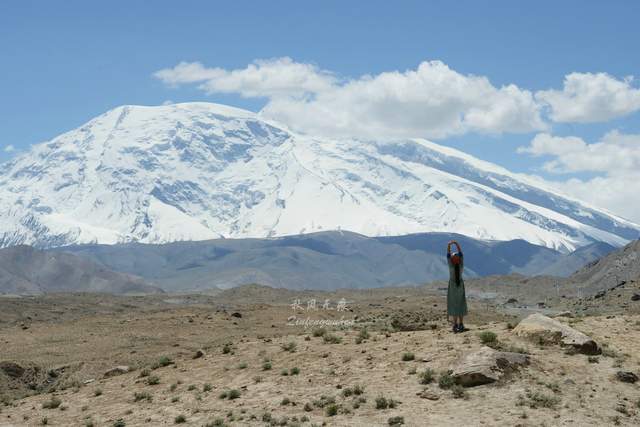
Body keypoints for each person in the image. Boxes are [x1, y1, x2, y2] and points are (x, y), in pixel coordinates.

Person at [446, 240, 468, 333]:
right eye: (454, 257)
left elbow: (461, 254)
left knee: (460, 303)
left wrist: (456, 244)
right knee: (454, 304)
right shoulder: (452, 265)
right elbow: (448, 254)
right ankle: (455, 324)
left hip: (459, 286)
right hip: (453, 286)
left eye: (456, 257)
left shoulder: (460, 265)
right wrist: (449, 245)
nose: (455, 257)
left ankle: (461, 323)